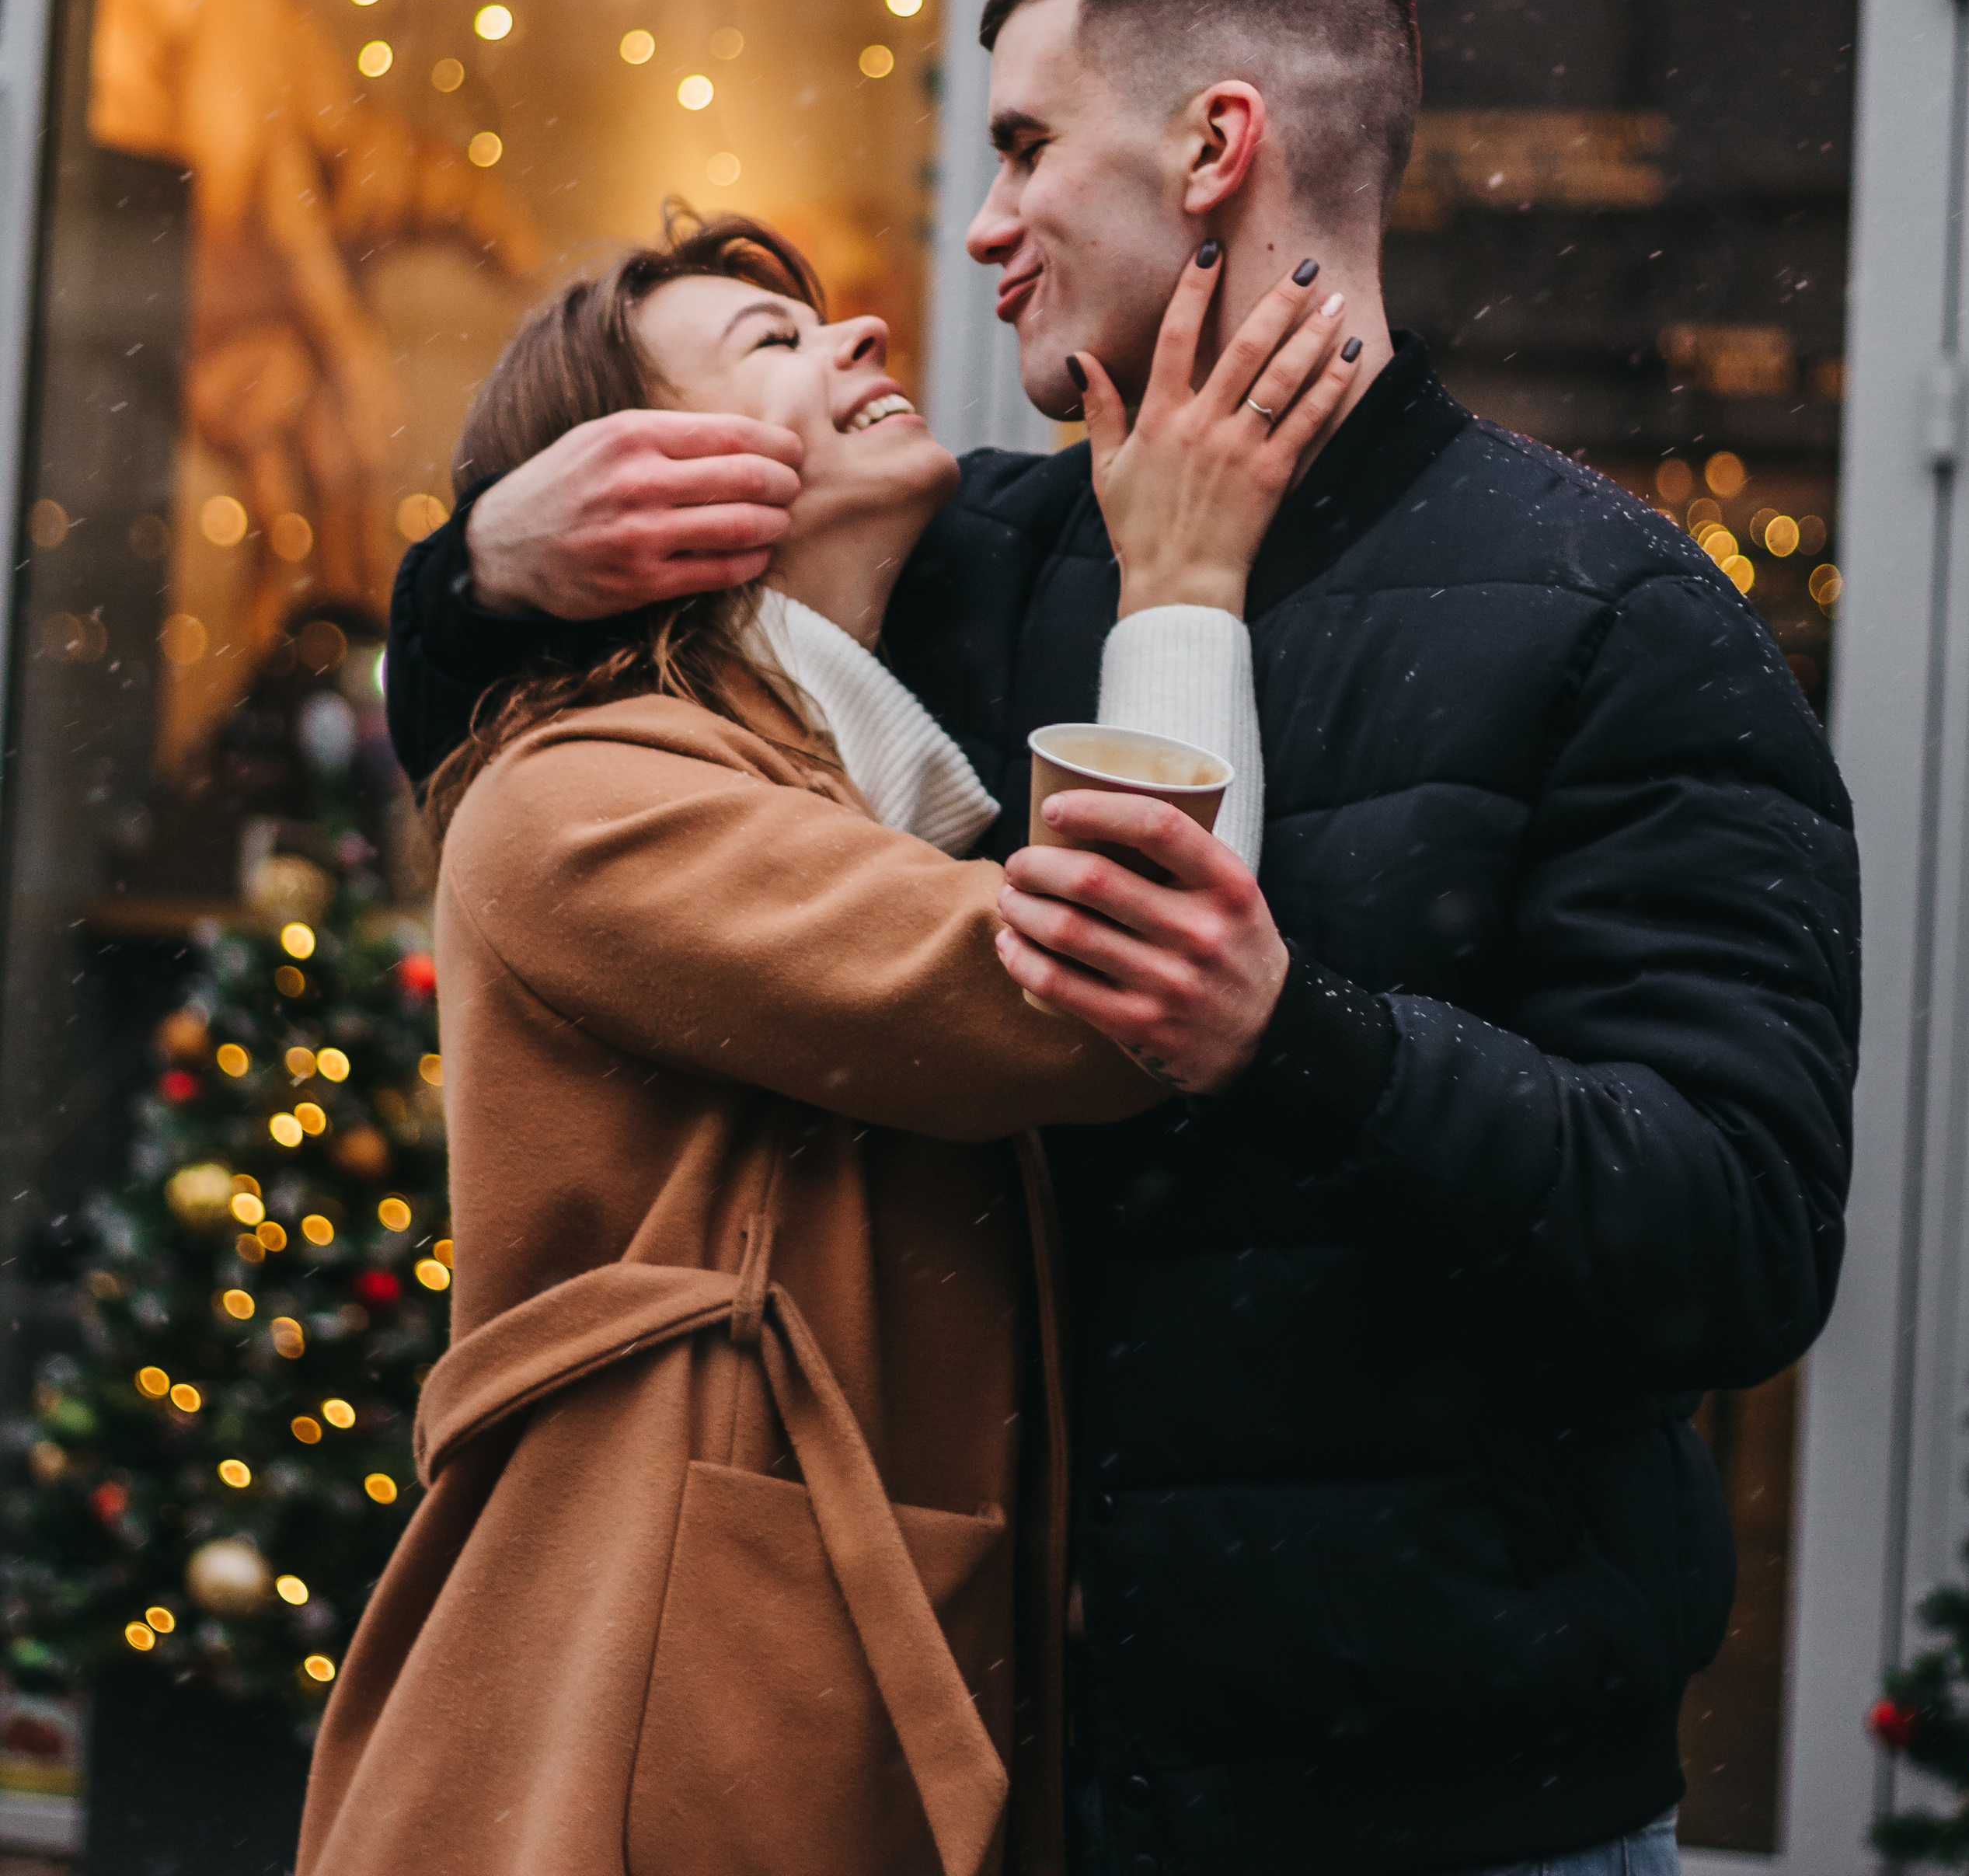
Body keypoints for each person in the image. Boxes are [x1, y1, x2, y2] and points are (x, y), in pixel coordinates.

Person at [385, 0, 1861, 1876]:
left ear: (1210, 149)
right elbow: (617, 792)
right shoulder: (954, 560)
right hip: (1006, 1781)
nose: (972, 232)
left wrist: (1309, 1048)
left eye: (1019, 148)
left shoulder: (1614, 614)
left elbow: (1741, 1234)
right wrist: (471, 582)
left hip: (1450, 1815)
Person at [305, 208, 1361, 1876]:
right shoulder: (590, 792)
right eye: (773, 347)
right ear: (640, 480)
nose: (860, 335)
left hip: (762, 1681)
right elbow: (1097, 995)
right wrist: (1176, 580)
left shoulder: (798, 783)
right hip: (659, 1721)